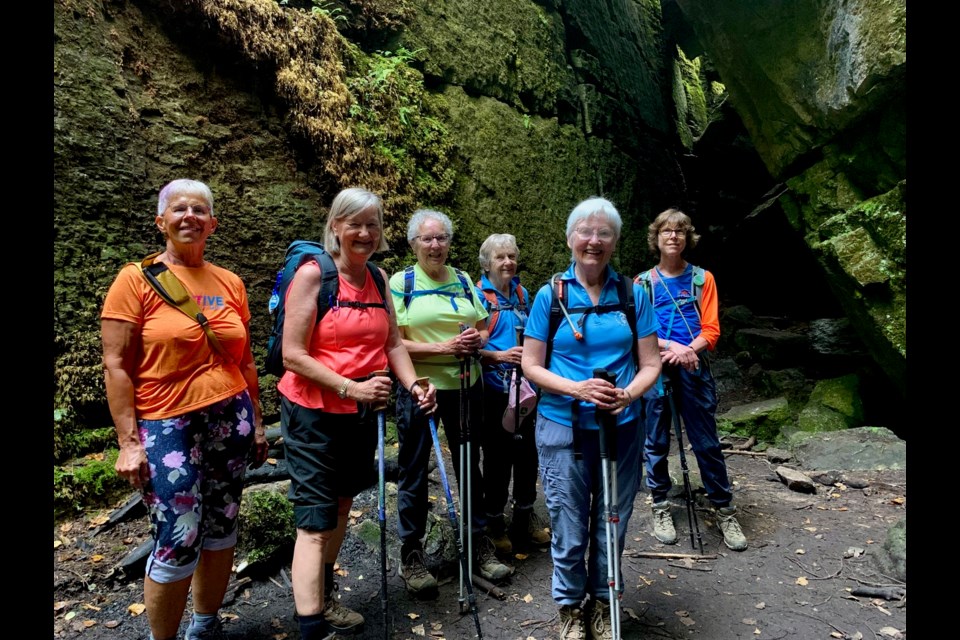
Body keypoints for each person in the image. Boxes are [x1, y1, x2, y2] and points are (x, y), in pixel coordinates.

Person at [101, 179, 269, 640]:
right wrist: (128, 443)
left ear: (213, 223)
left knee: (221, 524)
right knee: (179, 535)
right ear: (161, 221)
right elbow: (115, 364)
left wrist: (256, 422)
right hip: (165, 421)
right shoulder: (134, 279)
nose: (190, 216)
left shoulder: (230, 281)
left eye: (200, 210)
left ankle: (205, 624)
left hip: (230, 414)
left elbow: (246, 359)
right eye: (179, 209)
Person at [278, 188, 437, 639]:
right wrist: (353, 387)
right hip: (312, 411)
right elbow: (292, 354)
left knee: (344, 503)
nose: (365, 233)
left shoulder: (379, 278)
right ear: (335, 226)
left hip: (361, 412)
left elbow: (391, 344)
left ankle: (324, 596)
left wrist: (414, 384)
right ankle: (311, 628)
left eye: (373, 225)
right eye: (355, 224)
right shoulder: (313, 277)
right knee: (315, 520)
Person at [521, 197, 661, 640]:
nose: (594, 241)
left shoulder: (633, 294)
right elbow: (531, 365)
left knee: (612, 519)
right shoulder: (551, 295)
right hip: (563, 424)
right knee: (567, 520)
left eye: (604, 234)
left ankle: (604, 601)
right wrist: (577, 388)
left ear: (615, 242)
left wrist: (627, 395)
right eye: (586, 231)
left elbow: (651, 364)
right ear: (569, 239)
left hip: (620, 426)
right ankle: (569, 607)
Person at [391, 209, 514, 599]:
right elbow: (392, 341)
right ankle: (412, 554)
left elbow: (481, 325)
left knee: (468, 465)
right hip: (420, 387)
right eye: (427, 239)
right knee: (412, 469)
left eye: (441, 238)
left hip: (465, 384)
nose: (435, 245)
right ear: (413, 243)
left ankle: (478, 545)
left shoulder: (463, 280)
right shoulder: (401, 282)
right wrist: (443, 346)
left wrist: (475, 341)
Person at [638, 208, 748, 552]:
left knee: (705, 442)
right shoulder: (643, 284)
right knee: (655, 440)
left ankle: (725, 509)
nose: (673, 237)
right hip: (656, 367)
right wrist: (674, 348)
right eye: (666, 231)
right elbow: (638, 331)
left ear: (688, 239)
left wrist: (689, 351)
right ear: (656, 238)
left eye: (679, 232)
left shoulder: (703, 279)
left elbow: (711, 329)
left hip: (693, 368)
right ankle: (659, 505)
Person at [475, 233, 551, 554]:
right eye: (500, 257)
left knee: (528, 453)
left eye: (511, 256)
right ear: (487, 263)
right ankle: (494, 520)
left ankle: (523, 515)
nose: (507, 262)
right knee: (497, 456)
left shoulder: (522, 293)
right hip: (494, 391)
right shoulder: (478, 296)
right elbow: (466, 349)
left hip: (526, 390)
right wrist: (499, 356)